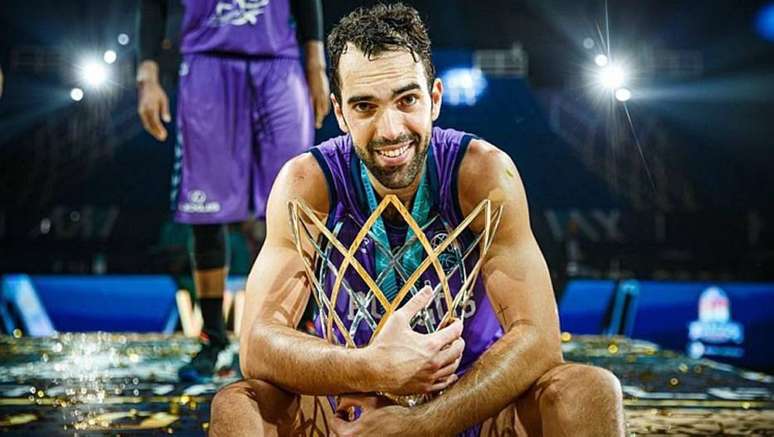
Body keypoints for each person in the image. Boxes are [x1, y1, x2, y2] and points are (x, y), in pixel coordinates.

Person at [210, 3, 625, 436]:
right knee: (238, 405)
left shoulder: (482, 173)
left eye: (407, 100)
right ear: (339, 112)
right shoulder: (307, 183)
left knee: (590, 390)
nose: (390, 129)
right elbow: (256, 346)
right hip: (346, 413)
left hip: (470, 405)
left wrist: (422, 423)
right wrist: (371, 368)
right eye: (365, 106)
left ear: (435, 99)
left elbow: (540, 341)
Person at [136, 0, 329, 381]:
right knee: (207, 208)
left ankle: (302, 328)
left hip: (280, 61)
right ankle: (213, 339)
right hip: (207, 61)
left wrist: (316, 63)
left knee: (297, 204)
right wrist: (147, 75)